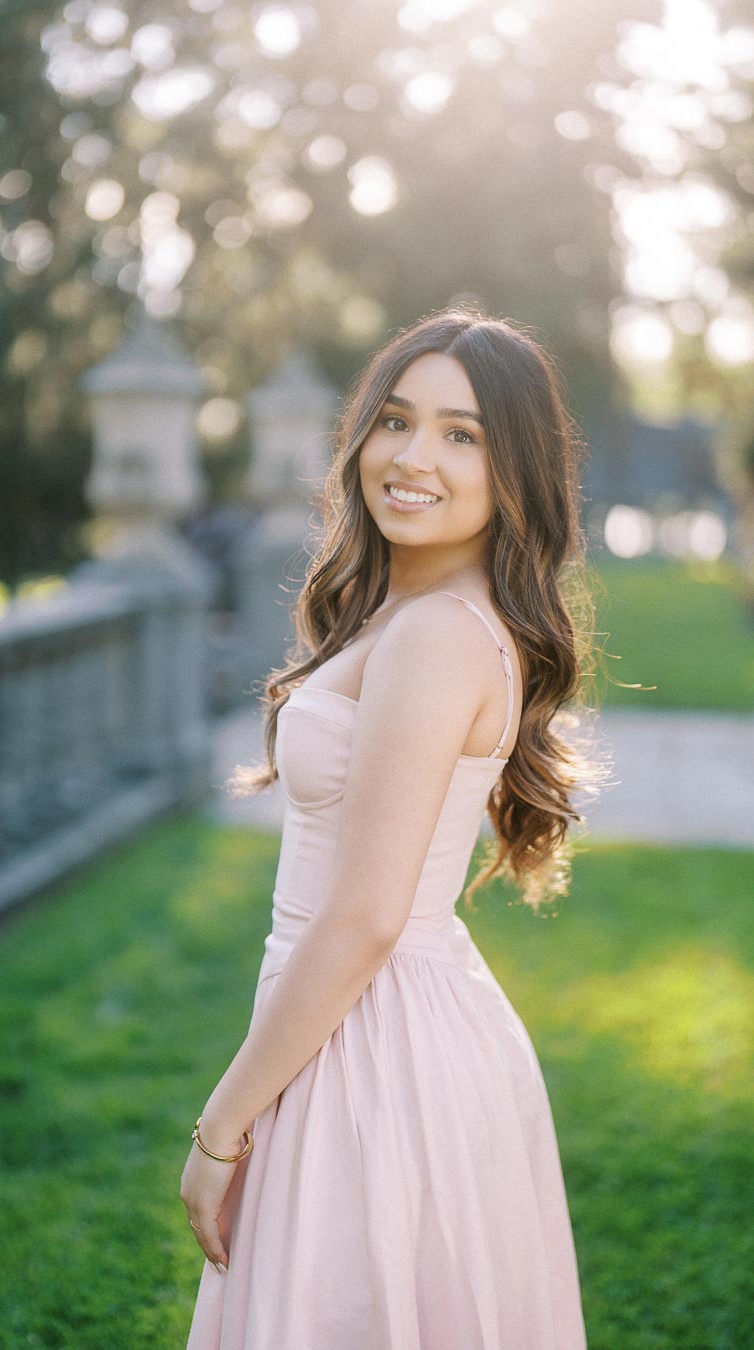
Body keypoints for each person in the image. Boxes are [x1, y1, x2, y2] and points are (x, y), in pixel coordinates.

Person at [180, 306, 610, 1348]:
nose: (414, 457)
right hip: (363, 1022)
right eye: (396, 421)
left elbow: (366, 916)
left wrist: (221, 1127)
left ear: (516, 470)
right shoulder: (420, 614)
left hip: (369, 1038)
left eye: (462, 435)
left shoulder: (435, 637)